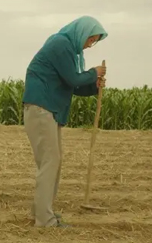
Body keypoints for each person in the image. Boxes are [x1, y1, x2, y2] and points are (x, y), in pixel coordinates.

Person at [22, 16, 108, 228]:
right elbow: (73, 79)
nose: (90, 45)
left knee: (53, 163)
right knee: (50, 163)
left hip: (48, 110)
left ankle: (43, 212)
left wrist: (94, 85)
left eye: (94, 42)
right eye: (90, 40)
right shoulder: (61, 44)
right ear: (81, 32)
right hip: (41, 108)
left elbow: (75, 86)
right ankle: (44, 220)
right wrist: (93, 73)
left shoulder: (69, 49)